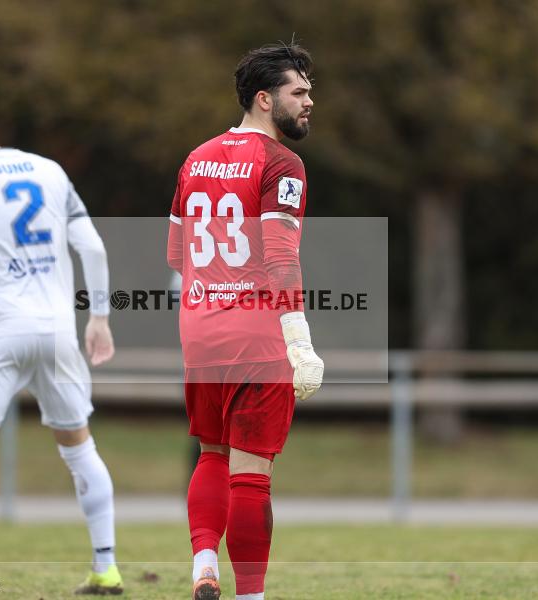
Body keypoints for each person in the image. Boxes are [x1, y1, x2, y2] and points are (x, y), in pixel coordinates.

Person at [0, 116, 123, 597]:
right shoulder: (50, 170)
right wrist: (99, 318)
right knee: (80, 449)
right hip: (56, 331)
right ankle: (107, 567)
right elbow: (92, 247)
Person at [166, 43, 324, 600]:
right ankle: (250, 597)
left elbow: (177, 256)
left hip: (200, 333)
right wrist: (300, 343)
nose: (310, 102)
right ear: (264, 99)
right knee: (251, 473)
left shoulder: (195, 157)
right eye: (298, 92)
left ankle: (203, 561)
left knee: (211, 453)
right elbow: (281, 257)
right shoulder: (283, 163)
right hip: (256, 336)